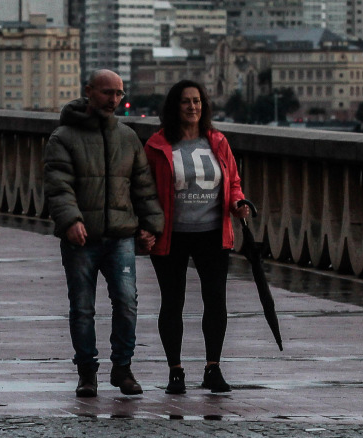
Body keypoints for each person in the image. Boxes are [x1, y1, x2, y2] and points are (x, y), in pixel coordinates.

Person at [44, 69, 164, 398]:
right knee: (82, 307)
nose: (113, 100)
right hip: (81, 239)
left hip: (121, 237)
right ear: (89, 92)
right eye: (107, 93)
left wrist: (151, 226)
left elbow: (143, 188)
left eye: (119, 94)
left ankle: (122, 369)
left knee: (126, 303)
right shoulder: (64, 137)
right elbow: (58, 187)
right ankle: (87, 373)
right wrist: (71, 220)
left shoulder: (127, 138)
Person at [140, 80, 250, 395]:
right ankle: (175, 371)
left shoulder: (217, 141)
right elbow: (144, 190)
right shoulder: (157, 145)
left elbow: (232, 182)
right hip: (171, 235)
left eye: (198, 101)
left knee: (215, 300)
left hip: (212, 234)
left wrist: (237, 202)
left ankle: (213, 368)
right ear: (175, 107)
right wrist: (145, 225)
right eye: (186, 102)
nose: (193, 107)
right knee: (172, 302)